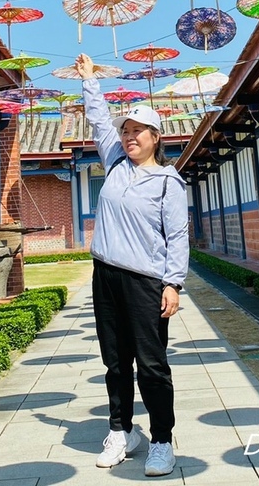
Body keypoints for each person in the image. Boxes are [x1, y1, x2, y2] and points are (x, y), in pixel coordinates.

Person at [76, 52, 190, 478]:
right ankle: (122, 432)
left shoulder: (168, 183)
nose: (129, 137)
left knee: (152, 362)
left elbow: (178, 237)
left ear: (155, 137)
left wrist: (173, 284)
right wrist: (90, 80)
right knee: (115, 362)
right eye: (126, 131)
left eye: (138, 131)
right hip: (105, 274)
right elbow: (99, 121)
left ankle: (161, 439)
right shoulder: (115, 164)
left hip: (145, 281)